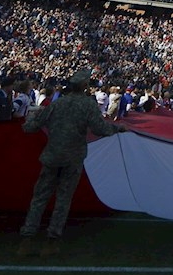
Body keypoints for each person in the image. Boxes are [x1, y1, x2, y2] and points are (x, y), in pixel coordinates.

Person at [18, 68, 125, 256]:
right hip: (72, 158)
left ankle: (27, 239)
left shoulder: (57, 104)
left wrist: (18, 123)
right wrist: (118, 129)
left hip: (52, 155)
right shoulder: (87, 105)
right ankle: (51, 242)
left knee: (40, 197)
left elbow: (32, 126)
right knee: (63, 199)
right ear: (85, 86)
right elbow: (100, 128)